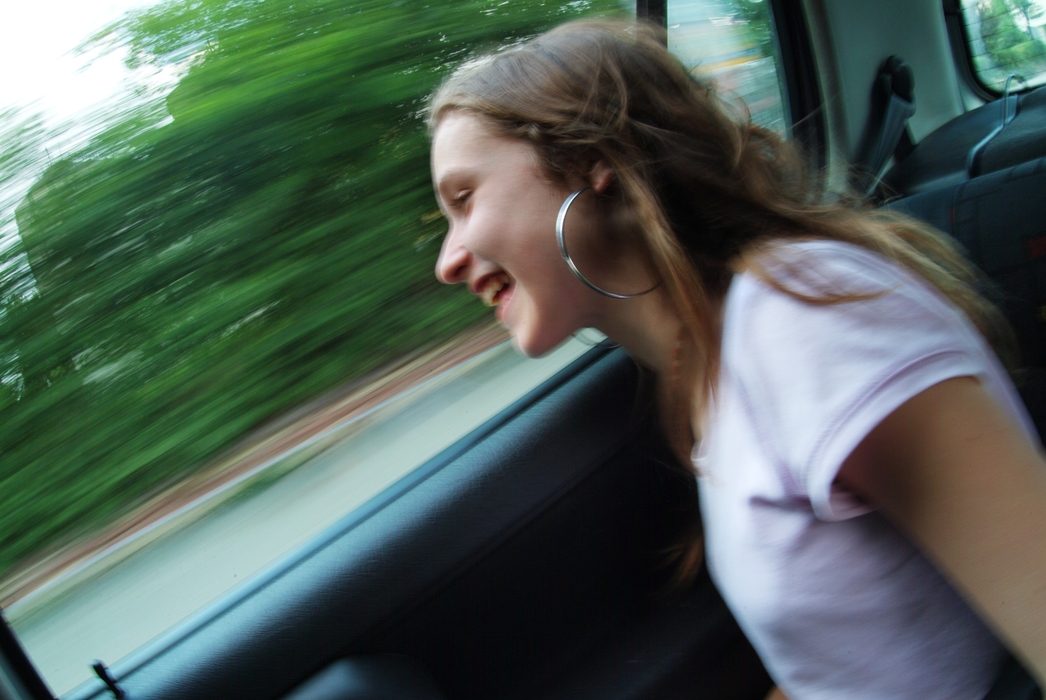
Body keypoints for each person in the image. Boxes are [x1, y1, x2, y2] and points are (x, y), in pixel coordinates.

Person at [426, 18, 1046, 700]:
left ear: (591, 160)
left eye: (464, 198)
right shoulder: (710, 355)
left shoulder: (809, 326)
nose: (447, 263)